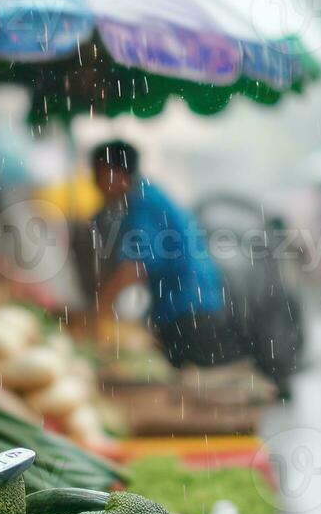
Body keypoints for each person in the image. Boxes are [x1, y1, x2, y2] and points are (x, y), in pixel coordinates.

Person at [88, 140, 234, 368]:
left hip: (191, 310)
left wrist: (97, 314)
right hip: (188, 307)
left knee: (193, 384)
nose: (94, 183)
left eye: (99, 174)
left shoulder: (144, 204)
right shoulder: (142, 198)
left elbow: (133, 269)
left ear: (120, 175)